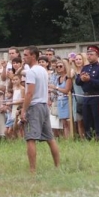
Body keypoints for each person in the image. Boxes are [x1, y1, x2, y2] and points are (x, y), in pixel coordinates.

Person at [20, 46, 60, 174]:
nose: (24, 57)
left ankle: (32, 170)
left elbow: (29, 93)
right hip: (43, 106)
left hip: (34, 106)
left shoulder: (31, 72)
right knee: (50, 138)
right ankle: (57, 166)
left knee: (30, 138)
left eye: (26, 55)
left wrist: (23, 110)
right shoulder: (43, 70)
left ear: (33, 56)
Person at [75, 45, 99, 140]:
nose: (89, 56)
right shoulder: (85, 68)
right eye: (88, 54)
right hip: (86, 96)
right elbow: (77, 82)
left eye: (91, 54)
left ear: (97, 55)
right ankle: (88, 136)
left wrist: (90, 79)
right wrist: (81, 78)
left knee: (98, 118)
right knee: (87, 118)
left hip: (97, 96)